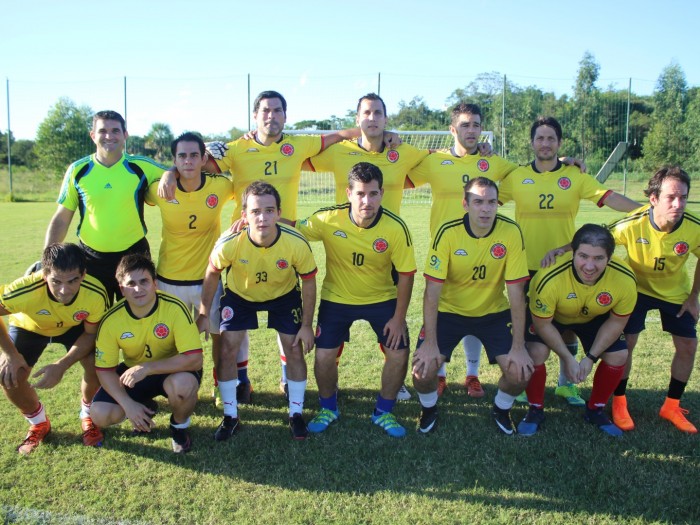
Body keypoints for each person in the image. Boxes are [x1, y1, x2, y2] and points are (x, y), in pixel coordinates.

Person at [158, 90, 379, 402]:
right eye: (265, 111)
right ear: (255, 115)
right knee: (238, 316)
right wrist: (169, 170)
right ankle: (241, 378)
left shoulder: (298, 144)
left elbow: (338, 135)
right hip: (243, 242)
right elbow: (194, 165)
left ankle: (287, 377)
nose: (271, 116)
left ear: (285, 116)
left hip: (283, 240)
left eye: (277, 111)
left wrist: (373, 131)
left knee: (283, 311)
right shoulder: (235, 148)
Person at [498, 116, 640, 406]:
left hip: (566, 264)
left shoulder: (575, 176)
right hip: (526, 265)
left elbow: (609, 197)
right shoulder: (516, 176)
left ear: (559, 143)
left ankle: (566, 384)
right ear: (532, 142)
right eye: (540, 138)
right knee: (532, 327)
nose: (546, 143)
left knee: (572, 321)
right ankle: (529, 382)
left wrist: (645, 210)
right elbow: (487, 200)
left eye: (551, 138)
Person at [296, 162, 416, 438]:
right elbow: (295, 228)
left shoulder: (396, 228)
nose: (367, 201)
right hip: (337, 298)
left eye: (373, 194)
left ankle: (383, 411)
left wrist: (398, 319)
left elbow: (407, 275)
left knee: (398, 352)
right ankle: (329, 407)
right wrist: (256, 220)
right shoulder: (328, 219)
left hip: (382, 298)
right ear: (348, 193)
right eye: (360, 194)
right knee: (324, 355)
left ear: (382, 194)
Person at [198, 181, 317, 441]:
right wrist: (204, 312)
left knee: (294, 347)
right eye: (255, 211)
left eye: (269, 210)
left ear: (278, 212)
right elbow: (212, 273)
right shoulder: (230, 242)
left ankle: (295, 413)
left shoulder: (296, 243)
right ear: (244, 215)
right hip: (241, 296)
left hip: (283, 296)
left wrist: (307, 325)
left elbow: (308, 281)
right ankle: (230, 415)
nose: (262, 217)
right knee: (227, 347)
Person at [412, 177, 532, 434]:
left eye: (491, 202)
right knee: (422, 372)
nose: (486, 209)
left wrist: (520, 346)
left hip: (494, 313)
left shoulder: (510, 232)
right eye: (478, 202)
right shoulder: (448, 232)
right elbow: (432, 292)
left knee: (520, 373)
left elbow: (516, 294)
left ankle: (501, 409)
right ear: (465, 204)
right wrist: (430, 342)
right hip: (449, 312)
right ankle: (429, 408)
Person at [521, 224, 637, 437]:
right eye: (583, 256)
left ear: (610, 257)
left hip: (593, 316)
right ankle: (535, 409)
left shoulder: (625, 279)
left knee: (619, 354)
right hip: (553, 317)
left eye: (599, 258)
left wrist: (590, 358)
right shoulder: (548, 277)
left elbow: (616, 322)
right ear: (573, 253)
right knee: (536, 352)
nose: (590, 266)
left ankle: (595, 410)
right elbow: (542, 324)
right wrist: (567, 358)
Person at [607, 166, 699, 434]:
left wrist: (694, 296)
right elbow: (599, 243)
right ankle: (620, 401)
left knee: (688, 346)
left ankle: (671, 405)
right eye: (671, 197)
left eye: (683, 197)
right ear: (654, 199)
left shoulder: (693, 226)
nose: (678, 203)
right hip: (636, 290)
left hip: (676, 292)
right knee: (628, 343)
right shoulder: (632, 222)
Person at [146, 132, 233, 405]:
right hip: (170, 279)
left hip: (209, 278)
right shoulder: (159, 188)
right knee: (168, 340)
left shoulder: (221, 186)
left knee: (219, 336)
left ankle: (220, 385)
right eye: (181, 156)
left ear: (204, 158)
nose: (188, 161)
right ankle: (164, 387)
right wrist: (168, 174)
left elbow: (243, 179)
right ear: (173, 160)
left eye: (194, 155)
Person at [0, 243, 110, 454]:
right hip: (30, 326)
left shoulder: (95, 293)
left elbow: (90, 333)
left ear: (83, 274)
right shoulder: (24, 289)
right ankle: (39, 423)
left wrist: (62, 364)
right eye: (56, 281)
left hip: (72, 327)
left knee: (97, 363)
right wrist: (9, 353)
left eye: (73, 281)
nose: (64, 290)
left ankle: (88, 416)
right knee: (8, 375)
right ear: (44, 275)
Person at [45, 110, 165, 302]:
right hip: (91, 258)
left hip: (134, 253)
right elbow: (62, 217)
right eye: (102, 131)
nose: (109, 136)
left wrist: (169, 174)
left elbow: (181, 170)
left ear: (125, 135)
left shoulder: (141, 166)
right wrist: (47, 260)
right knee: (95, 318)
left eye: (115, 131)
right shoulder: (78, 170)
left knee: (140, 312)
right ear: (93, 136)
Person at [90, 254, 203, 454]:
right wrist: (128, 405)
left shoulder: (175, 308)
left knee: (183, 387)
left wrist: (148, 367)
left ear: (155, 284)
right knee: (100, 414)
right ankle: (142, 404)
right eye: (131, 283)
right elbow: (104, 370)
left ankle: (178, 427)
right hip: (134, 372)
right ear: (121, 288)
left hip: (173, 369)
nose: (138, 288)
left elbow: (194, 359)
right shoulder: (111, 320)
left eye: (144, 281)